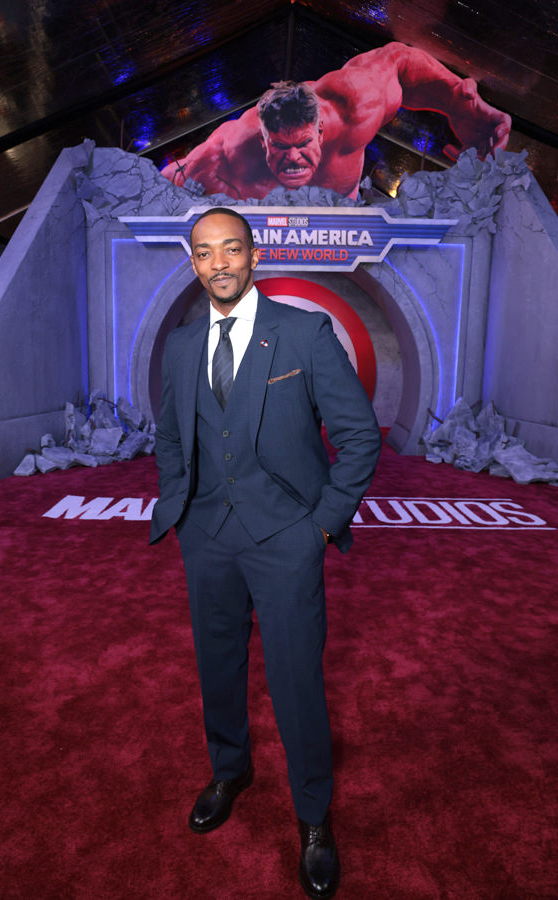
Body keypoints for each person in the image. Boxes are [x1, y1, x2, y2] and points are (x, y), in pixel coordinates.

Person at [151, 206, 381, 898]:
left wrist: (320, 527)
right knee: (217, 667)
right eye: (204, 253)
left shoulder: (304, 332)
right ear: (193, 263)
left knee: (295, 680)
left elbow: (359, 435)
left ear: (253, 255)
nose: (218, 264)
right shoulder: (182, 344)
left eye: (230, 249)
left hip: (287, 539)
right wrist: (181, 508)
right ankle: (230, 771)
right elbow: (171, 436)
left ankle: (313, 816)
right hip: (206, 537)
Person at [161, 41, 511, 200]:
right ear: (263, 142)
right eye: (280, 147)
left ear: (321, 131)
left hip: (345, 226)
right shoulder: (221, 162)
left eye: (302, 144)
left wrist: (458, 103)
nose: (293, 158)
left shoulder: (353, 108)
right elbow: (157, 193)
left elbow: (399, 63)